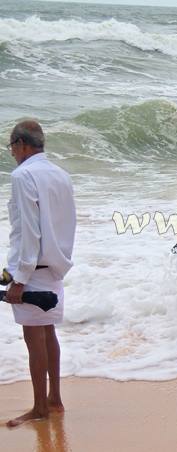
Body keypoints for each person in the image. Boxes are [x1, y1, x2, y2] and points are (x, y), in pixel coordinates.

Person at [4, 121, 76, 427]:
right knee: (48, 332)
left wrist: (19, 279)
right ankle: (54, 399)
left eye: (11, 148)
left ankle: (39, 408)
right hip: (55, 265)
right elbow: (66, 221)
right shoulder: (61, 174)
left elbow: (29, 231)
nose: (12, 154)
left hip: (31, 269)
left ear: (21, 144)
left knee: (34, 336)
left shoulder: (23, 175)